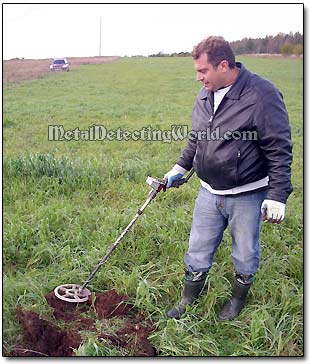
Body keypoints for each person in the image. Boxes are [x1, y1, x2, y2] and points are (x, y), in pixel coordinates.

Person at [164, 36, 293, 321]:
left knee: (245, 253)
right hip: (208, 192)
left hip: (247, 194)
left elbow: (278, 148)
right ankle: (188, 298)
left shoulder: (262, 95)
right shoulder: (205, 94)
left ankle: (236, 300)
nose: (198, 78)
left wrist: (277, 195)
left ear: (224, 65)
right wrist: (178, 167)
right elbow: (197, 138)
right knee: (198, 247)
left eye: (203, 71)